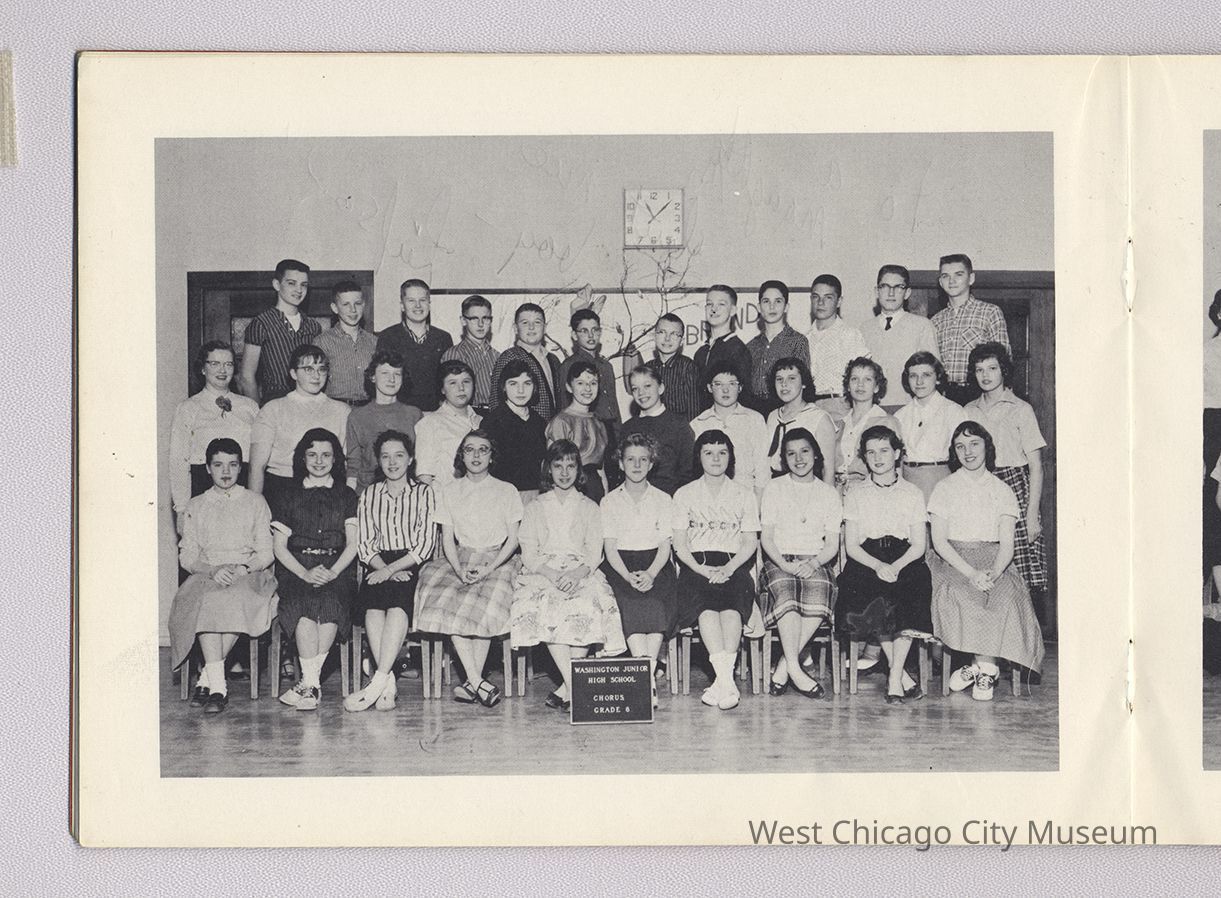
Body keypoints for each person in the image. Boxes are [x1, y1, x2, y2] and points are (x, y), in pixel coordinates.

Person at [928, 420, 1045, 701]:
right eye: (960, 446)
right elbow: (939, 542)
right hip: (954, 559)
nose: (968, 452)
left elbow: (1007, 544)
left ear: (987, 447)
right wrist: (971, 573)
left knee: (1005, 597)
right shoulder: (944, 488)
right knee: (962, 595)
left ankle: (980, 667)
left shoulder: (1002, 490)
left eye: (974, 444)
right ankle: (987, 668)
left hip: (994, 559)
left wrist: (994, 572)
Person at [509, 440, 626, 712]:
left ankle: (568, 687)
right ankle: (576, 686)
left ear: (578, 470)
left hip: (581, 570)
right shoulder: (535, 506)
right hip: (543, 571)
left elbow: (594, 552)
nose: (564, 472)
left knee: (587, 603)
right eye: (558, 466)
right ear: (548, 469)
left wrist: (577, 574)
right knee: (545, 604)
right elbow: (529, 551)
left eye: (570, 466)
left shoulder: (590, 507)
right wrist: (551, 574)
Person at [167, 438, 278, 714]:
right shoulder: (196, 505)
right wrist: (212, 570)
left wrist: (243, 568)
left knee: (232, 600)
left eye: (232, 465)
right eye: (218, 465)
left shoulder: (255, 502)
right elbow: (187, 555)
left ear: (241, 468)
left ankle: (210, 681)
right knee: (207, 601)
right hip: (209, 572)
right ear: (207, 468)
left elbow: (266, 552)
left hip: (248, 572)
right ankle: (217, 686)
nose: (226, 471)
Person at [414, 430, 523, 708]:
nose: (476, 455)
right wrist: (458, 569)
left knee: (483, 604)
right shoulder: (449, 490)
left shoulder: (506, 490)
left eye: (483, 449)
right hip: (459, 558)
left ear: (492, 456)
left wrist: (489, 568)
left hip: (498, 560)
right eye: (469, 449)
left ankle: (473, 682)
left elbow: (513, 540)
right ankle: (477, 681)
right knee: (446, 603)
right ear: (461, 456)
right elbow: (446, 539)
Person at [836, 425, 933, 704]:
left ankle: (894, 675)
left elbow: (919, 545)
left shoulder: (912, 492)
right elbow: (852, 546)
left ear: (897, 453)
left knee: (910, 591)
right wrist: (878, 566)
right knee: (872, 595)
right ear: (864, 458)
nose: (877, 458)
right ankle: (899, 675)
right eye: (870, 453)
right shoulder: (855, 493)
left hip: (905, 557)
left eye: (884, 451)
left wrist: (897, 566)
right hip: (867, 558)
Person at [345, 430, 437, 712]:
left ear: (411, 459)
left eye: (399, 455)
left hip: (411, 564)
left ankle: (377, 680)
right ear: (379, 461)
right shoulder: (370, 494)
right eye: (385, 457)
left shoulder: (424, 493)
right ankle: (388, 683)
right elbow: (365, 543)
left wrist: (392, 570)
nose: (392, 462)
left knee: (397, 605)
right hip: (377, 563)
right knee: (373, 608)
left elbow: (424, 544)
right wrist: (384, 569)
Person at [671, 430, 761, 711]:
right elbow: (679, 545)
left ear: (731, 457)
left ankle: (721, 683)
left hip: (734, 565)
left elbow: (750, 542)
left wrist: (729, 568)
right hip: (696, 567)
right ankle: (727, 682)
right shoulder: (684, 494)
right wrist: (702, 569)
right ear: (698, 457)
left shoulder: (744, 494)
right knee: (707, 609)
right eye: (708, 453)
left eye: (722, 452)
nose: (716, 458)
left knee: (732, 609)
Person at [271, 429, 359, 710]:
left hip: (337, 567)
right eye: (312, 455)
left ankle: (307, 685)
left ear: (335, 459)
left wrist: (333, 572)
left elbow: (353, 544)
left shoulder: (347, 495)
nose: (319, 461)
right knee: (304, 602)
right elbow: (279, 547)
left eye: (325, 455)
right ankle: (312, 684)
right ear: (302, 458)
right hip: (297, 567)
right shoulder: (287, 494)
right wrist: (304, 573)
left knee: (332, 601)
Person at [759, 428, 842, 699]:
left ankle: (785, 666)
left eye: (805, 451)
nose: (799, 459)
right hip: (780, 560)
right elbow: (767, 538)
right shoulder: (774, 488)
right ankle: (796, 669)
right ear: (784, 459)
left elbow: (832, 544)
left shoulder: (829, 493)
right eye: (791, 453)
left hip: (814, 561)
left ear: (816, 454)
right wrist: (784, 564)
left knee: (821, 591)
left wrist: (814, 563)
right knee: (786, 595)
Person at [963, 342, 1048, 599]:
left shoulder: (1021, 409)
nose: (985, 375)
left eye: (992, 368)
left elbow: (1036, 466)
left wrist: (1031, 516)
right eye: (979, 370)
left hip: (1014, 486)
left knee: (1019, 569)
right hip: (980, 486)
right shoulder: (968, 410)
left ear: (1003, 371)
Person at [600, 433, 678, 708]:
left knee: (656, 600)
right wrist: (627, 576)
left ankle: (645, 676)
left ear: (651, 464)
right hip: (621, 565)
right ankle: (646, 677)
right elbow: (610, 548)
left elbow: (665, 546)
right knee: (630, 602)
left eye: (643, 460)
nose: (636, 465)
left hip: (655, 564)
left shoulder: (663, 500)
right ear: (621, 464)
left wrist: (651, 574)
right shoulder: (609, 501)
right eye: (630, 459)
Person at [248, 344, 350, 517]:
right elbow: (256, 467)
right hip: (282, 489)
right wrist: (254, 512)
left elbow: (346, 464)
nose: (316, 376)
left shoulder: (342, 411)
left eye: (322, 369)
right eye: (308, 369)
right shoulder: (273, 409)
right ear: (293, 373)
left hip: (327, 490)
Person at [169, 341, 259, 533]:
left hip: (242, 485)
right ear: (203, 368)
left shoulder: (250, 407)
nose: (222, 370)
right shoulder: (189, 408)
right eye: (215, 363)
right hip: (204, 485)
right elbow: (178, 461)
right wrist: (182, 509)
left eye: (228, 364)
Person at [930, 254, 1011, 405]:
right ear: (940, 282)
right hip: (944, 396)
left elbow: (1004, 360)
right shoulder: (935, 321)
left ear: (971, 278)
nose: (952, 281)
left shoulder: (990, 312)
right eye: (946, 276)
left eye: (959, 274)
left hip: (978, 394)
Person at [239, 259, 321, 404]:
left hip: (309, 403)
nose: (299, 290)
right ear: (277, 285)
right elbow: (246, 377)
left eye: (303, 285)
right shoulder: (261, 324)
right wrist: (260, 412)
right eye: (291, 283)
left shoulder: (313, 326)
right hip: (275, 403)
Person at [861, 265, 939, 411]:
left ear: (907, 293)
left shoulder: (922, 326)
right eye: (885, 286)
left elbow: (932, 374)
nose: (891, 293)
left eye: (898, 287)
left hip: (909, 408)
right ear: (877, 291)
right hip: (872, 408)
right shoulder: (864, 329)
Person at [893, 351, 968, 503]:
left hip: (940, 480)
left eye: (926, 375)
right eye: (913, 376)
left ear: (938, 378)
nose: (919, 381)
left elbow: (964, 455)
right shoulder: (900, 415)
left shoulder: (953, 411)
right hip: (907, 482)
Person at [689, 359, 771, 496]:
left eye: (732, 384)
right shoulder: (698, 423)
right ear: (709, 388)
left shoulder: (754, 419)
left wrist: (757, 504)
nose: (725, 390)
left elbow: (763, 469)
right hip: (709, 496)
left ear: (740, 388)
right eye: (718, 384)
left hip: (747, 494)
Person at [344, 351, 423, 492]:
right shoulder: (357, 416)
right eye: (385, 373)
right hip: (367, 491)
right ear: (373, 377)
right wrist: (350, 497)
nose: (392, 379)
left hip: (406, 491)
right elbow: (354, 465)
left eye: (397, 374)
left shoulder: (414, 414)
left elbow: (421, 460)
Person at [374, 278, 454, 413]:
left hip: (435, 412)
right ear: (402, 306)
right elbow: (382, 380)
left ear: (429, 304)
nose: (418, 305)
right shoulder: (388, 337)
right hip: (399, 412)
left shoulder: (443, 338)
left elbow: (449, 380)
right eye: (411, 301)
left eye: (422, 300)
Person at [618, 364, 694, 495]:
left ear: (660, 388)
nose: (641, 393)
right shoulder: (627, 427)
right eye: (635, 389)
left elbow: (688, 471)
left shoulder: (678, 424)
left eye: (647, 386)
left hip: (669, 498)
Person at [558, 305, 624, 457]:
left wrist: (619, 436)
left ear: (600, 332)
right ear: (574, 335)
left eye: (595, 330)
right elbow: (564, 405)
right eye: (584, 331)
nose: (591, 335)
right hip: (586, 432)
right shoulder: (569, 366)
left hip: (611, 432)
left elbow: (613, 404)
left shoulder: (606, 366)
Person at [480, 358, 548, 503]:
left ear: (534, 387)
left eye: (527, 384)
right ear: (503, 387)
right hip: (504, 498)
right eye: (513, 383)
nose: (521, 390)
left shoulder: (539, 422)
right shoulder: (492, 422)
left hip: (537, 497)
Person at [762, 356, 836, 487]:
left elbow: (828, 470)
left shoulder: (819, 418)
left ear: (803, 383)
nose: (784, 384)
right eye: (779, 379)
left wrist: (826, 497)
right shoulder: (772, 416)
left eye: (791, 378)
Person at [805, 274, 869, 422]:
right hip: (810, 407)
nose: (820, 302)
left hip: (840, 406)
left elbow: (863, 376)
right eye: (816, 297)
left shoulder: (850, 335)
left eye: (828, 297)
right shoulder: (804, 339)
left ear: (839, 301)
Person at [833, 357, 900, 493]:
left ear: (876, 387)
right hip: (837, 492)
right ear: (848, 386)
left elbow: (896, 469)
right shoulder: (838, 424)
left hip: (871, 493)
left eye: (867, 379)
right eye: (854, 379)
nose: (860, 384)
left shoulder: (888, 422)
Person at [546, 360, 609, 501]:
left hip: (595, 489)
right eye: (580, 383)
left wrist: (606, 498)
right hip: (571, 491)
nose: (588, 388)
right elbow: (554, 469)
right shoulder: (561, 422)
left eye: (593, 383)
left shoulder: (599, 423)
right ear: (569, 387)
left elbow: (601, 470)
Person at [414, 360, 482, 491]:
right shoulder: (430, 423)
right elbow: (424, 476)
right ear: (442, 389)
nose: (461, 388)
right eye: (452, 383)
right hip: (447, 499)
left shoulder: (482, 421)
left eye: (466, 381)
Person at [489, 303, 563, 420]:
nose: (531, 327)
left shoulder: (553, 360)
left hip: (553, 426)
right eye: (525, 323)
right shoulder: (509, 356)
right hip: (521, 427)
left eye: (537, 322)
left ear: (545, 328)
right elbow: (496, 400)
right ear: (515, 328)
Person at [746, 280, 810, 416]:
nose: (772, 306)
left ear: (786, 307)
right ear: (759, 307)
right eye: (766, 301)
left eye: (778, 301)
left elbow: (803, 384)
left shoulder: (798, 341)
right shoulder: (751, 346)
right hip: (754, 411)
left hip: (785, 409)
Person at [315, 281, 377, 407]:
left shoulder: (374, 341)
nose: (353, 310)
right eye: (345, 304)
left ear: (363, 305)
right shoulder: (322, 342)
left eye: (357, 304)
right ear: (335, 308)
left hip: (367, 409)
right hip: (335, 408)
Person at [693, 284, 753, 412]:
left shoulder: (738, 349)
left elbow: (744, 396)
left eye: (721, 304)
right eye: (709, 304)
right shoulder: (701, 352)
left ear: (733, 310)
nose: (714, 309)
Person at [440, 295, 500, 413]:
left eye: (485, 318)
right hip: (470, 414)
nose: (480, 324)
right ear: (463, 321)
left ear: (491, 321)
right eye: (474, 318)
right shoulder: (455, 355)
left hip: (497, 415)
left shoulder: (497, 355)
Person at [642, 313, 702, 422]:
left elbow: (694, 411)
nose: (667, 338)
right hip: (651, 429)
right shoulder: (647, 368)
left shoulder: (689, 367)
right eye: (662, 332)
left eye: (674, 334)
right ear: (654, 336)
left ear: (682, 341)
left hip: (681, 430)